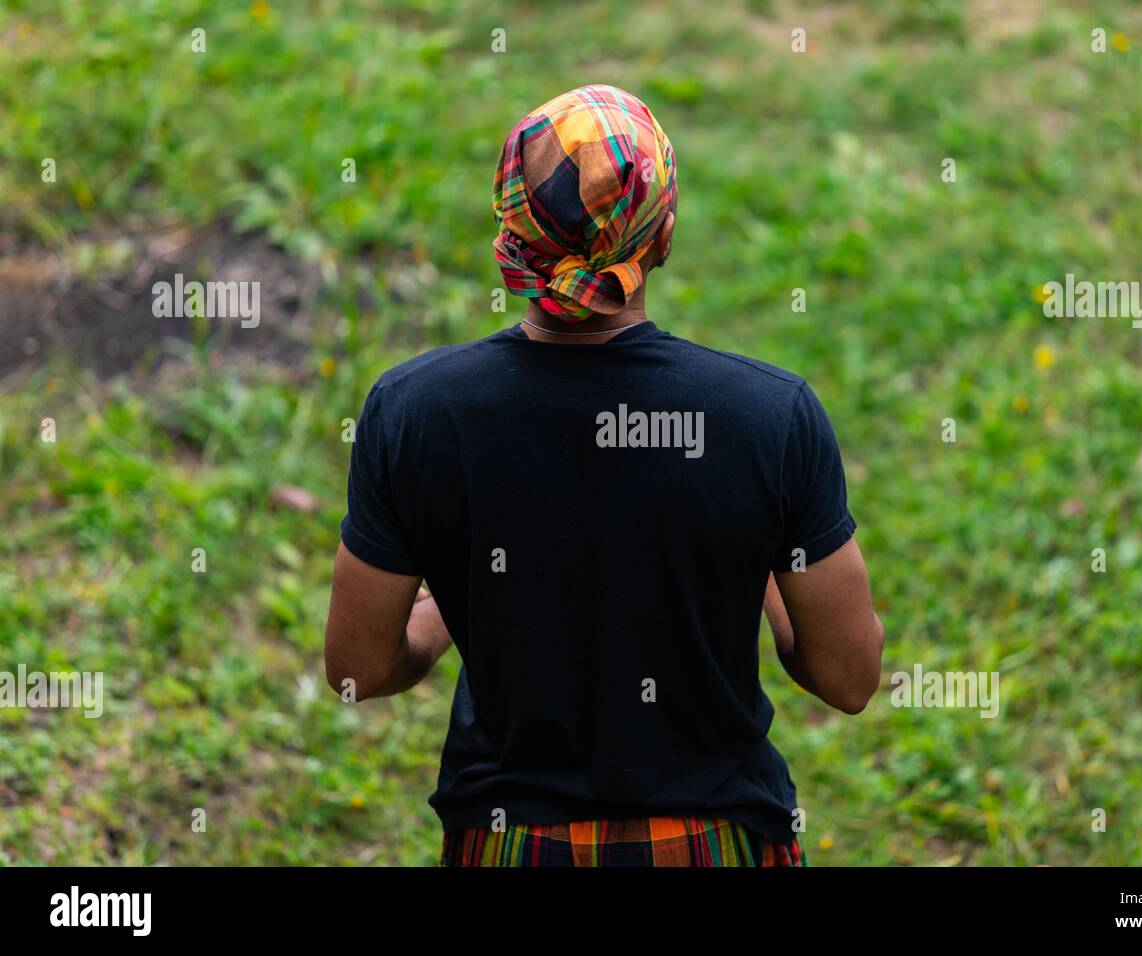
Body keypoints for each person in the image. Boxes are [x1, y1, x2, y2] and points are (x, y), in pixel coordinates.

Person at [324, 84, 884, 867]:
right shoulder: (767, 417)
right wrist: (754, 548)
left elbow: (359, 667)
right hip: (716, 839)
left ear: (511, 233)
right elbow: (849, 676)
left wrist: (460, 591)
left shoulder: (415, 412)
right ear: (663, 233)